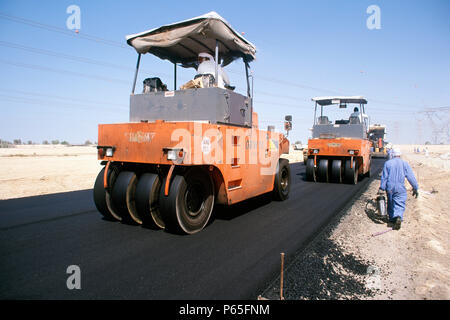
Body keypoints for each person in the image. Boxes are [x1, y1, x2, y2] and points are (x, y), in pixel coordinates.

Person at [379, 148, 419, 230]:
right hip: (400, 187)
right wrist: (415, 187)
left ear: (392, 154)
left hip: (389, 187)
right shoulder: (405, 164)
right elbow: (410, 176)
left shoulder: (388, 163)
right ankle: (398, 216)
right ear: (400, 155)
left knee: (390, 202)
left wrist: (381, 188)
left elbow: (384, 177)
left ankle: (391, 219)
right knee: (399, 202)